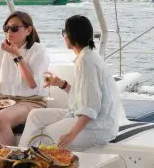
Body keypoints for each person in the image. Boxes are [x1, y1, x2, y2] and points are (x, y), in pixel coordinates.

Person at [18, 15, 122, 151]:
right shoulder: (87, 56)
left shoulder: (86, 62)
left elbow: (90, 107)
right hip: (83, 116)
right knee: (35, 115)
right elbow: (86, 95)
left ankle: (29, 163)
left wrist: (71, 135)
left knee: (45, 135)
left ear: (71, 36)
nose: (63, 36)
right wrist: (62, 84)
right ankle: (21, 154)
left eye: (64, 32)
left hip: (97, 127)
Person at [0, 11, 50, 146]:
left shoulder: (38, 50)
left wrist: (16, 55)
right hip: (4, 100)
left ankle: (4, 160)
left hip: (31, 101)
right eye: (6, 28)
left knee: (0, 119)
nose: (9, 31)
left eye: (14, 28)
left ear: (28, 30)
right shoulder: (0, 52)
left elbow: (32, 84)